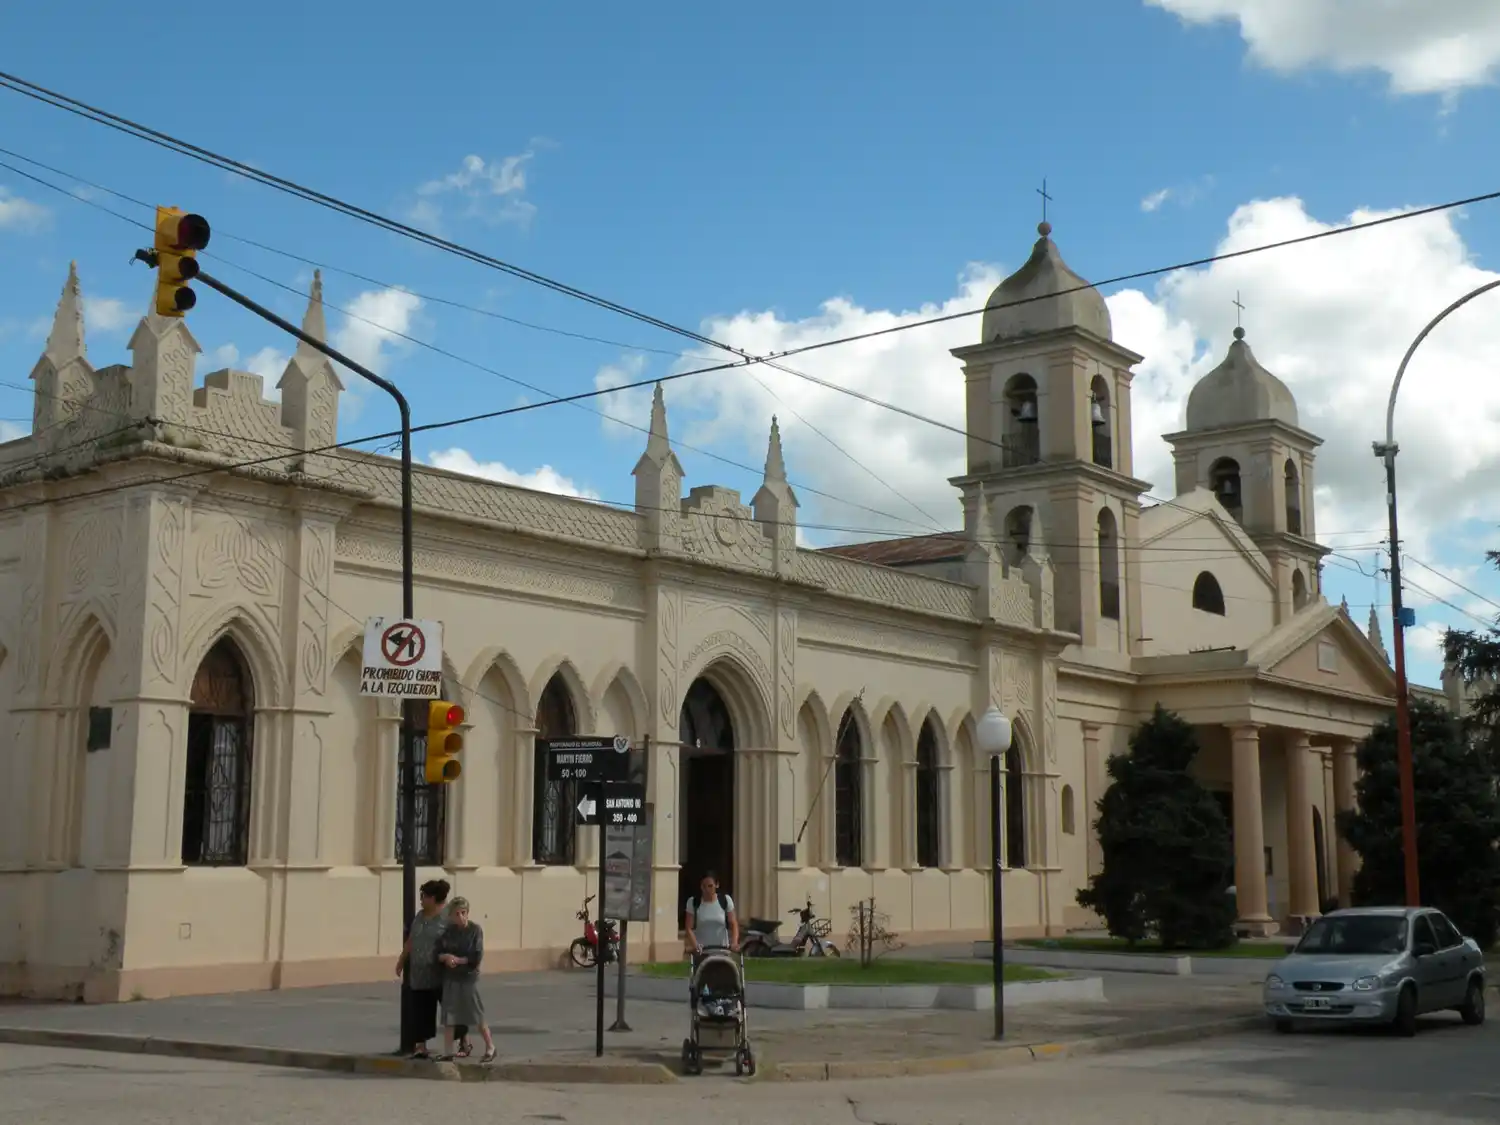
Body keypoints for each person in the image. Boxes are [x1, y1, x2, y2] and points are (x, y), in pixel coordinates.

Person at [434, 897, 495, 1064]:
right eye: (457, 914)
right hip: (451, 978)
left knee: (476, 1012)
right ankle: (448, 1052)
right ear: (451, 916)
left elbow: (476, 956)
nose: (460, 917)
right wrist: (446, 957)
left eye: (463, 913)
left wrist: (458, 960)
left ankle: (490, 1047)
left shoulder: (475, 930)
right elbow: (438, 952)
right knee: (449, 1015)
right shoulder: (448, 932)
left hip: (468, 977)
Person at [396, 878, 450, 1059]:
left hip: (441, 974)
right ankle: (421, 1046)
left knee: (450, 1009)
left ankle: (462, 1042)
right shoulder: (420, 916)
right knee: (420, 1009)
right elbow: (411, 940)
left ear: (433, 898)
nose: (421, 899)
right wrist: (401, 960)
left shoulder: (447, 918)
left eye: (424, 896)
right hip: (420, 974)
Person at [684, 870, 738, 956]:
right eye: (704, 886)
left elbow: (733, 923)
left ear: (717, 885)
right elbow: (688, 927)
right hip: (702, 951)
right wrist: (695, 945)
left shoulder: (725, 900)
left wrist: (734, 942)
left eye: (710, 886)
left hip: (722, 950)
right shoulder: (693, 902)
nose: (707, 890)